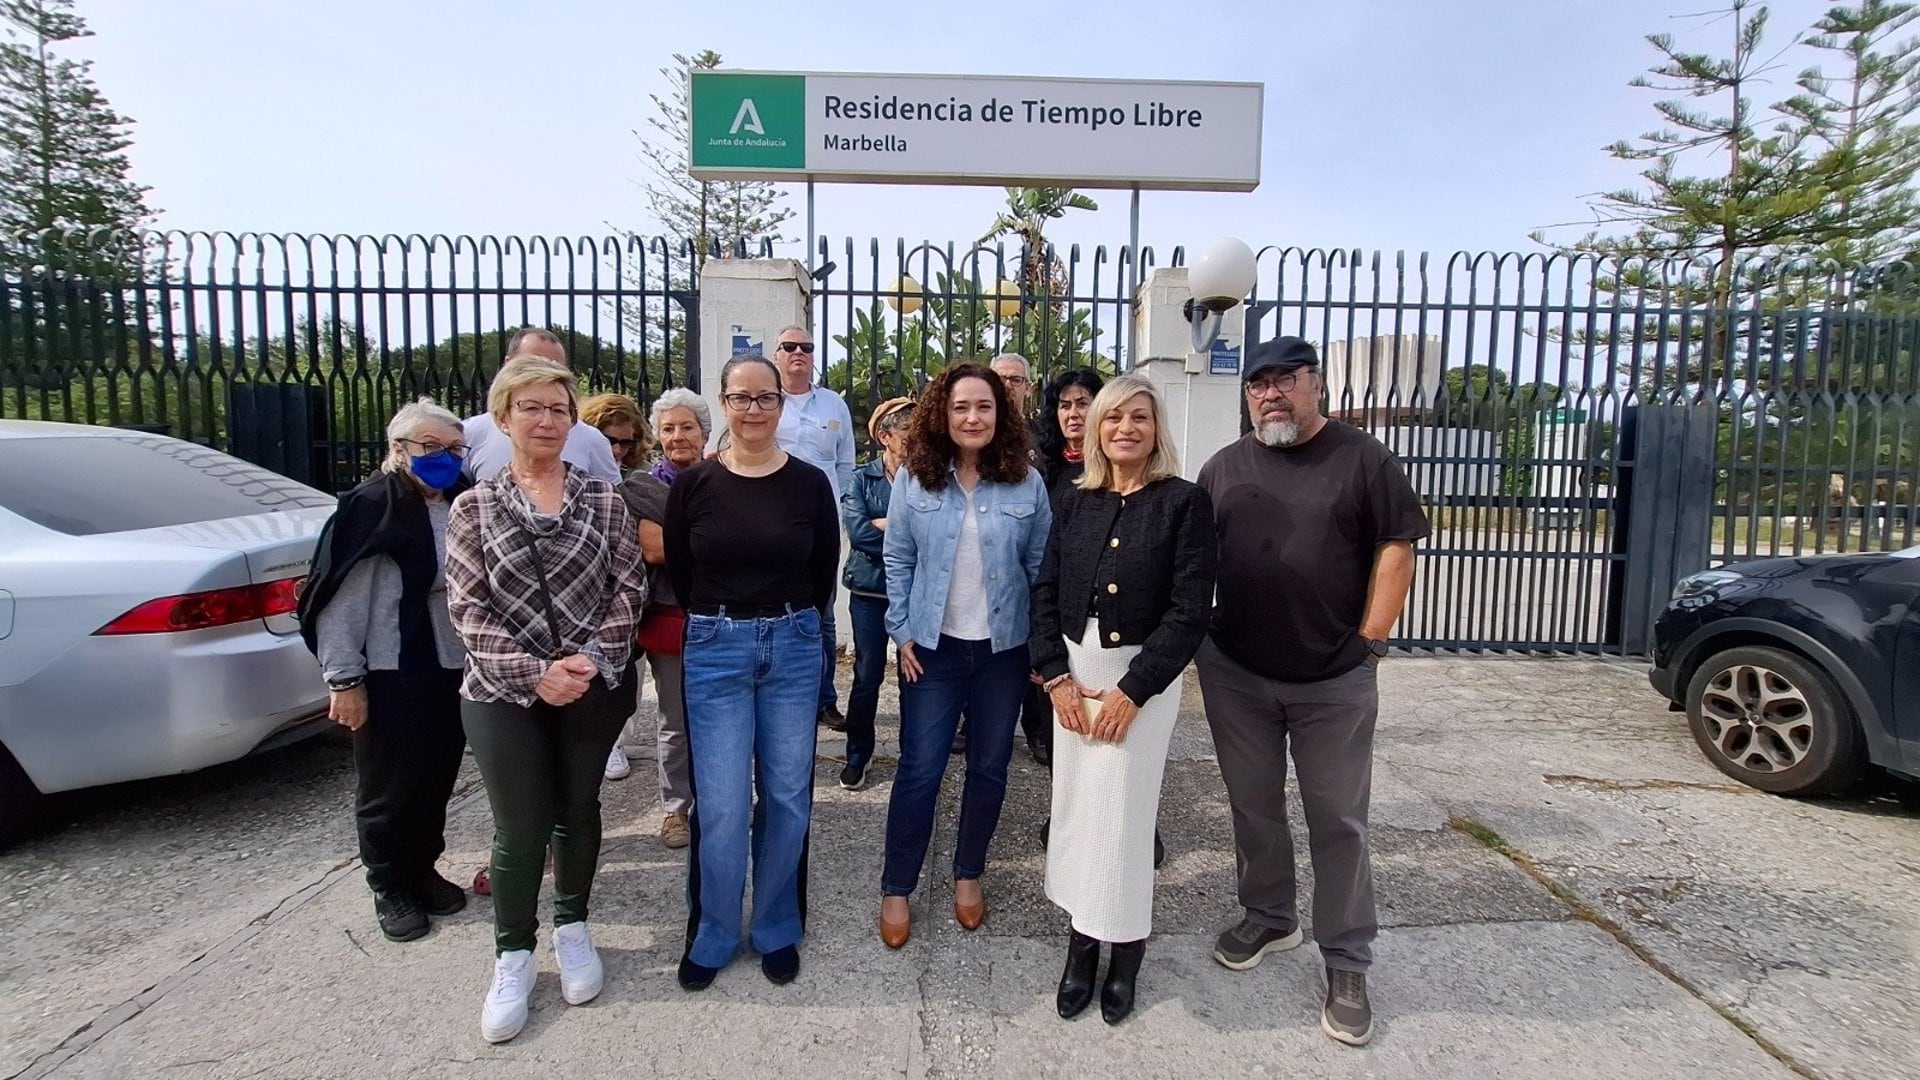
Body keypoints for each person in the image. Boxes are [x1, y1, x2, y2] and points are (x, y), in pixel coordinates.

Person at [1195, 336, 1429, 1048]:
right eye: (1258, 385)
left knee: (1339, 820)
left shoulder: (1364, 459)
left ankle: (1347, 958)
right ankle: (1270, 915)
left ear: (1315, 386)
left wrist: (1373, 638)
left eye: (1285, 381)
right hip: (1236, 672)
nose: (1270, 395)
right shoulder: (1223, 468)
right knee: (1253, 805)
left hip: (1335, 677)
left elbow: (1397, 544)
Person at [445, 356, 647, 1044]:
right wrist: (537, 672)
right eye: (531, 407)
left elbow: (629, 587)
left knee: (577, 808)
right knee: (520, 823)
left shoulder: (603, 498)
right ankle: (513, 952)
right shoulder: (473, 507)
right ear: (503, 419)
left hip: (591, 683)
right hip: (502, 690)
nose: (547, 420)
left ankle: (572, 926)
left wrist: (588, 660)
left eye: (559, 409)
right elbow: (468, 609)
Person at [1029, 375, 1216, 1025]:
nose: (1125, 429)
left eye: (1139, 417)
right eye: (1113, 419)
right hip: (1076, 680)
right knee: (1078, 812)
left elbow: (1189, 612)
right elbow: (1045, 589)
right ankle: (1081, 946)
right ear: (1097, 431)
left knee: (1126, 823)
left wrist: (1134, 692)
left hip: (1143, 684)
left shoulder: (1184, 504)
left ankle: (1126, 951)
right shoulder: (1076, 502)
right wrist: (1054, 676)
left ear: (1156, 428)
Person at [665, 354, 839, 992]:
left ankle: (774, 926)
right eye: (742, 398)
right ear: (725, 403)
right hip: (716, 646)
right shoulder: (694, 487)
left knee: (788, 797)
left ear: (781, 405)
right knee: (721, 803)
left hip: (793, 645)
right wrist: (722, 621)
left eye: (766, 398)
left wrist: (787, 622)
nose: (755, 410)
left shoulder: (811, 484)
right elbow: (683, 572)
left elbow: (823, 568)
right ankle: (713, 931)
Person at [877, 362, 1050, 949]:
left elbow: (1040, 570)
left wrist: (1041, 647)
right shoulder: (916, 479)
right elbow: (897, 558)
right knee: (920, 768)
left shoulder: (1026, 481)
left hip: (1003, 652)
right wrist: (900, 632)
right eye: (960, 407)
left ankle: (968, 872)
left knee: (989, 767)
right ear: (942, 415)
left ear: (1001, 415)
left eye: (983, 406)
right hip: (932, 650)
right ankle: (897, 885)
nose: (972, 417)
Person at [300, 399, 473, 944]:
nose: (443, 458)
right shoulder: (371, 508)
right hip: (390, 666)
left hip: (450, 664)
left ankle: (422, 869)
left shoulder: (462, 498)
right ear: (399, 450)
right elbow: (343, 600)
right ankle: (388, 883)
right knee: (389, 784)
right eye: (430, 448)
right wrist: (344, 680)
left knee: (436, 775)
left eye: (453, 448)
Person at [622, 386, 711, 849]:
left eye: (688, 427)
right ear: (657, 436)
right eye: (669, 428)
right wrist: (712, 541)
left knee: (724, 717)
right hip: (673, 617)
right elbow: (652, 548)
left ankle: (719, 802)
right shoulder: (639, 487)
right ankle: (676, 810)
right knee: (675, 719)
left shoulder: (725, 477)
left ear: (705, 432)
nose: (679, 436)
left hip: (724, 617)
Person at [770, 324, 856, 733]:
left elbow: (845, 467)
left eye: (806, 347)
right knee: (774, 612)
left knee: (821, 617)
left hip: (821, 528)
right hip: (770, 526)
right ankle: (782, 696)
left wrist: (838, 517)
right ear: (777, 354)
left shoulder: (833, 405)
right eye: (790, 347)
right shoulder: (767, 402)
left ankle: (824, 701)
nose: (798, 353)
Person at [838, 395, 916, 791]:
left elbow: (933, 534)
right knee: (867, 676)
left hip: (913, 593)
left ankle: (913, 756)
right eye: (907, 431)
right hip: (870, 591)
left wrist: (889, 525)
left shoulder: (927, 476)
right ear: (885, 436)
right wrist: (902, 530)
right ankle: (857, 756)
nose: (916, 438)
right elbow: (861, 533)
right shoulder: (860, 478)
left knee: (913, 679)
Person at [581, 392, 655, 782]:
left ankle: (616, 742)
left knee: (628, 675)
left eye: (626, 442)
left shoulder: (634, 482)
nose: (618, 450)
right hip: (577, 596)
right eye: (609, 440)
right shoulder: (567, 476)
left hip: (624, 593)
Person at [989, 351, 1054, 766]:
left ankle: (1036, 729)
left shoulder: (1041, 437)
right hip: (989, 555)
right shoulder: (978, 431)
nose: (1009, 385)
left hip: (1034, 551)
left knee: (1031, 645)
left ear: (1028, 387)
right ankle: (970, 723)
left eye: (1016, 380)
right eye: (1001, 378)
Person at [461, 328, 621, 485]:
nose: (545, 373)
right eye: (533, 364)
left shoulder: (592, 440)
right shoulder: (468, 434)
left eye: (557, 367)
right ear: (508, 364)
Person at [1037, 368, 1105, 500]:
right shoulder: (1042, 465)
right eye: (1065, 406)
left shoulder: (1112, 465)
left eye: (1082, 404)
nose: (1073, 414)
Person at [580, 392, 652, 476]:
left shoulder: (645, 474)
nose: (616, 451)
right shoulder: (571, 467)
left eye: (625, 443)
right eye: (609, 441)